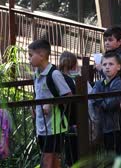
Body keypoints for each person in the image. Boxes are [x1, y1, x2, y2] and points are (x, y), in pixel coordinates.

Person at [29, 40, 72, 168]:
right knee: (52, 158)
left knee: (47, 159)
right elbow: (38, 95)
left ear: (41, 55)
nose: (29, 58)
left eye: (31, 55)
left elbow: (68, 96)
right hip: (42, 125)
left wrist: (51, 104)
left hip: (55, 125)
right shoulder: (36, 75)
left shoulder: (54, 73)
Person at [58, 51, 94, 167]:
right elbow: (90, 98)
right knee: (77, 151)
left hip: (62, 121)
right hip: (77, 120)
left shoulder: (57, 77)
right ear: (74, 65)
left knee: (68, 152)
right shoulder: (77, 79)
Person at [91, 52, 121, 154]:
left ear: (118, 67)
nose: (107, 67)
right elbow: (91, 98)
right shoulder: (99, 83)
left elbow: (109, 105)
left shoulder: (118, 83)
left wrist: (99, 98)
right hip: (102, 126)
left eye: (111, 64)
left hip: (115, 127)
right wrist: (100, 99)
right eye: (104, 64)